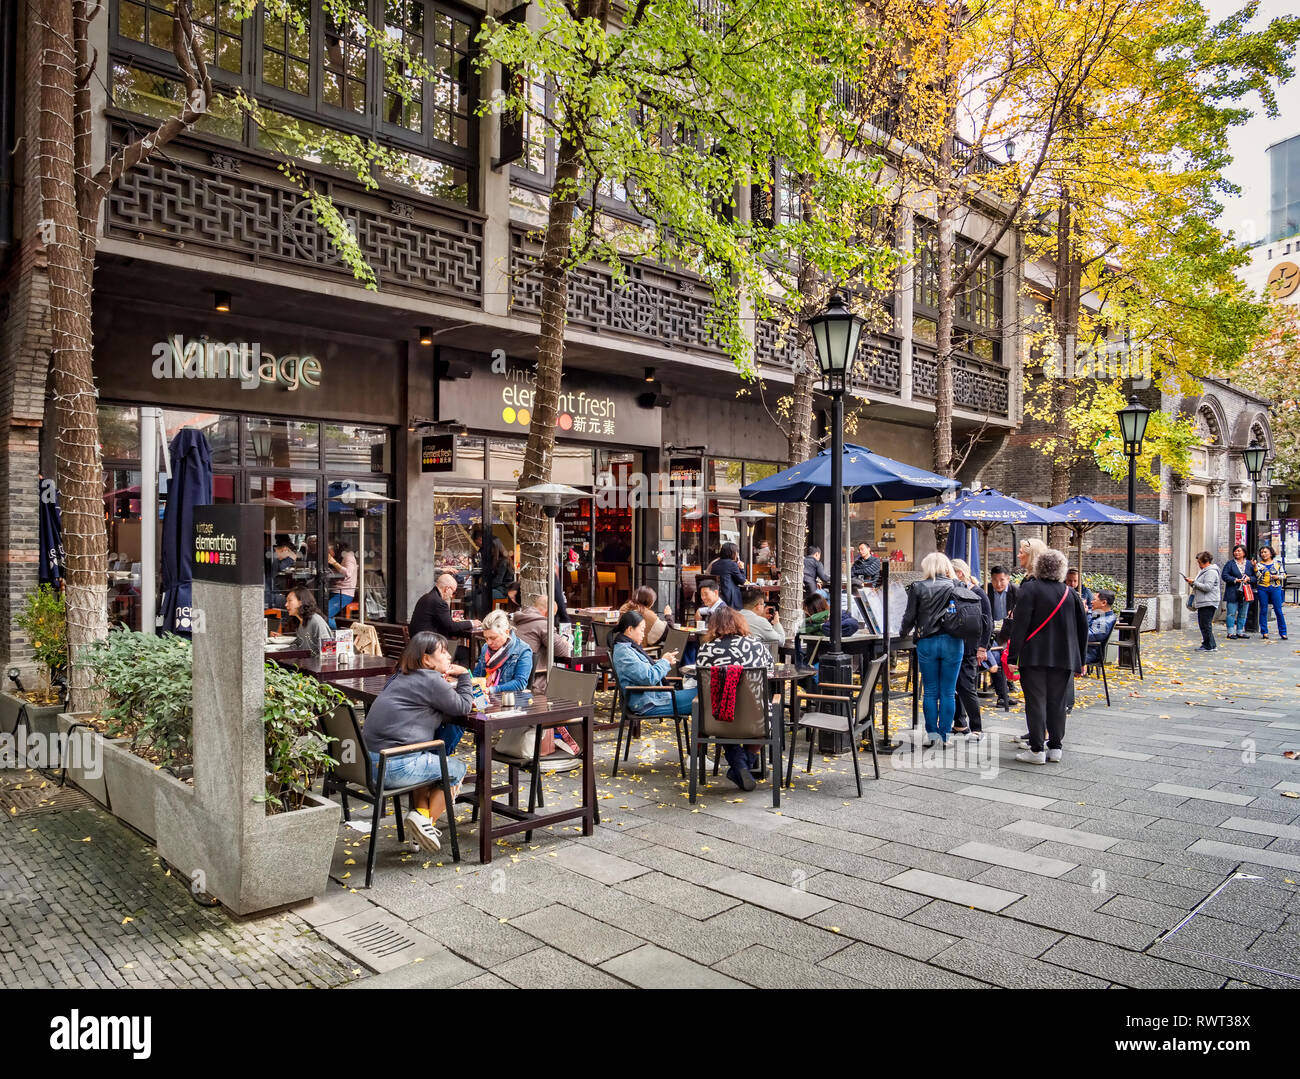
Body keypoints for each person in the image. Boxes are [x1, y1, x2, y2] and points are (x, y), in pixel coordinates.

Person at [361, 631, 472, 852]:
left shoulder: (398, 676)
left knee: (429, 759)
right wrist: (466, 675)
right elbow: (463, 707)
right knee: (457, 768)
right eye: (443, 652)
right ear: (426, 659)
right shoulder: (430, 680)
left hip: (366, 765)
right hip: (394, 766)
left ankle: (419, 822)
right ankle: (425, 824)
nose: (449, 656)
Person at [1008, 548, 1088, 764]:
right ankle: (1055, 747)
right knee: (1057, 702)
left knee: (1035, 702)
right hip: (1065, 658)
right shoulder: (1070, 593)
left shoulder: (1030, 590)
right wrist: (1081, 659)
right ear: (1061, 569)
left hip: (1033, 656)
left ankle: (1036, 750)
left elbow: (1020, 626)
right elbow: (1083, 628)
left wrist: (1011, 657)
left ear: (1038, 566)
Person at [695, 606, 774, 791]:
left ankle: (739, 764)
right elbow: (770, 667)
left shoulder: (705, 650)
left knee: (719, 704)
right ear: (740, 623)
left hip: (716, 719)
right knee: (769, 710)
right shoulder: (755, 645)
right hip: (755, 719)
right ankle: (746, 761)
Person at [899, 552, 964, 748]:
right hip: (953, 641)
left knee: (930, 691)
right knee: (948, 691)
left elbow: (909, 616)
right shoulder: (956, 585)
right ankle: (945, 736)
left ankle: (931, 734)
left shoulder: (918, 587)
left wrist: (903, 632)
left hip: (926, 641)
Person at [609, 609, 693, 720]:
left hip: (655, 698)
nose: (644, 635)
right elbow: (648, 677)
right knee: (704, 696)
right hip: (648, 704)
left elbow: (642, 670)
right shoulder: (624, 653)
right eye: (642, 630)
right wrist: (664, 662)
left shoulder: (627, 647)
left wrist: (663, 661)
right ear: (630, 629)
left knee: (703, 695)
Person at [949, 558, 992, 739]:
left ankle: (977, 728)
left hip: (971, 647)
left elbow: (987, 622)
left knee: (966, 686)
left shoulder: (978, 593)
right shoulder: (954, 592)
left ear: (959, 573)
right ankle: (960, 723)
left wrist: (983, 647)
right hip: (957, 645)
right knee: (955, 685)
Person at [513, 593, 572, 694]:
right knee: (567, 687)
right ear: (547, 613)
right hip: (534, 679)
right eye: (552, 616)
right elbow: (563, 651)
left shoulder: (519, 619)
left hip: (514, 672)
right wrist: (564, 642)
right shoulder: (543, 624)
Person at [473, 608, 533, 692]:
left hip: (508, 700)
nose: (489, 642)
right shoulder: (485, 648)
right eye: (486, 638)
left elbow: (520, 683)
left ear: (507, 632)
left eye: (493, 638)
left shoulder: (523, 650)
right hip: (484, 697)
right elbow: (477, 676)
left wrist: (493, 689)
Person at [410, 573, 479, 644]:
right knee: (465, 653)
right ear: (447, 589)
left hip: (418, 644)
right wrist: (472, 623)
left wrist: (450, 620)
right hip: (429, 646)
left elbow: (431, 620)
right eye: (453, 592)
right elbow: (452, 627)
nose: (452, 596)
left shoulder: (425, 598)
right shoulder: (439, 602)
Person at [987, 565, 1018, 708]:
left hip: (1009, 630)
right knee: (994, 652)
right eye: (994, 580)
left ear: (1008, 579)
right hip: (990, 631)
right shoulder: (985, 590)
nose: (998, 584)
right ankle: (1002, 690)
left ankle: (1008, 683)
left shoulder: (1016, 591)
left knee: (1004, 652)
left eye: (1002, 580)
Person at [1182, 552, 1221, 651]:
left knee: (1205, 624)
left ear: (1204, 562)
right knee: (1204, 624)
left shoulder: (1211, 572)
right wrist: (1192, 583)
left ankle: (1209, 645)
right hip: (1204, 601)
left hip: (1208, 601)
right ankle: (1209, 644)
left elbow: (1207, 587)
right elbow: (1200, 586)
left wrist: (1194, 582)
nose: (1198, 564)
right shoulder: (1204, 571)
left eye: (1199, 562)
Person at [284, 586, 334, 656]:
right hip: (305, 664)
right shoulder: (300, 621)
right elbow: (299, 645)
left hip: (316, 665)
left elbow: (329, 651)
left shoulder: (316, 621)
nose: (286, 605)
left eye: (289, 601)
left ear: (301, 602)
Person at [1221, 544, 1256, 639]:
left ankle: (1240, 631)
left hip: (1246, 592)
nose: (1237, 553)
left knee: (1243, 613)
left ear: (1244, 552)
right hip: (1233, 591)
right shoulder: (1230, 564)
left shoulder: (1249, 564)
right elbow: (1224, 575)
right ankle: (1230, 632)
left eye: (1239, 551)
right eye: (1235, 551)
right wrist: (1235, 580)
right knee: (1231, 612)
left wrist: (1249, 578)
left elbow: (1255, 577)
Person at [1255, 545, 1288, 641]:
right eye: (1262, 552)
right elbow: (1257, 577)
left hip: (1275, 588)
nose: (1263, 554)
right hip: (1262, 588)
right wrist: (1255, 568)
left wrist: (1278, 577)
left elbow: (1284, 575)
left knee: (1278, 610)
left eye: (1265, 552)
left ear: (1270, 553)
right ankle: (1264, 632)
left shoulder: (1278, 563)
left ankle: (1283, 632)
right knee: (1263, 610)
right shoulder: (1258, 565)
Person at [326, 541, 358, 628]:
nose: (328, 553)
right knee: (325, 612)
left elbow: (348, 573)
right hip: (334, 590)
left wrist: (334, 563)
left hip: (344, 593)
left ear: (336, 550)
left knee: (325, 612)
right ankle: (332, 637)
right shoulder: (340, 557)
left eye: (329, 551)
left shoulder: (348, 557)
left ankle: (333, 638)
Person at [707, 543, 747, 610]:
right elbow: (742, 581)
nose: (737, 555)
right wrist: (742, 568)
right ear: (733, 553)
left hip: (718, 597)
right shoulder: (732, 564)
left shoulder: (715, 564)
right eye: (736, 552)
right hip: (730, 599)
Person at [264, 535, 296, 609]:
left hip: (268, 591)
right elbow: (279, 568)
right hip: (267, 596)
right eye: (287, 556)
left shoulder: (270, 552)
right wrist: (290, 559)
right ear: (285, 549)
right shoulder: (271, 556)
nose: (284, 559)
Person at [489, 537, 515, 602]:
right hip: (500, 589)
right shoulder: (500, 560)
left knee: (484, 594)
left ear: (496, 548)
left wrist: (486, 587)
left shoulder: (504, 561)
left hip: (503, 591)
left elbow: (498, 581)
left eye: (491, 548)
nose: (489, 550)